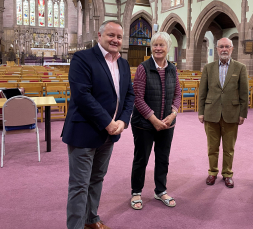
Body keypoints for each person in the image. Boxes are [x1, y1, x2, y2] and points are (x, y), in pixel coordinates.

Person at [62, 20, 135, 229]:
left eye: (119, 37)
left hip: (109, 134)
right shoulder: (82, 58)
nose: (115, 40)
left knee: (97, 179)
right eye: (111, 35)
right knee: (79, 185)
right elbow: (82, 95)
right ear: (99, 35)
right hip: (84, 132)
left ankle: (91, 219)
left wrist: (122, 120)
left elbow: (129, 94)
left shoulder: (122, 63)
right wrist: (107, 122)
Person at [130, 32, 181, 210]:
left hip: (167, 123)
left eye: (162, 45)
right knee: (141, 158)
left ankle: (160, 190)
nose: (158, 48)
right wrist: (153, 119)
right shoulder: (143, 68)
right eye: (155, 45)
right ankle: (136, 191)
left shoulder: (173, 69)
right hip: (144, 124)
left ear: (168, 48)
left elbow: (177, 94)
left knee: (163, 158)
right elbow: (138, 97)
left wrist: (173, 114)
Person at [198, 37, 249, 188]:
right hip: (211, 113)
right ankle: (212, 172)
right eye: (221, 47)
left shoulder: (240, 68)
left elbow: (244, 94)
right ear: (217, 49)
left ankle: (227, 174)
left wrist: (243, 114)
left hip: (231, 113)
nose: (224, 49)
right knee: (212, 147)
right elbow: (202, 92)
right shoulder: (209, 67)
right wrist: (201, 112)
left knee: (229, 148)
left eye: (227, 46)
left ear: (232, 49)